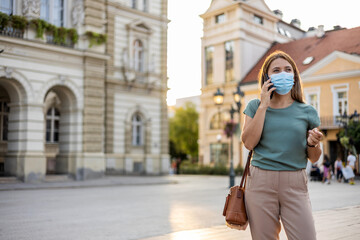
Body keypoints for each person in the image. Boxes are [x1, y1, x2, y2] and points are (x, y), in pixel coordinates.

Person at [241, 50, 323, 240]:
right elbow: (249, 143)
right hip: (260, 181)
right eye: (276, 70)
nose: (283, 74)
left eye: (287, 69)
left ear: (294, 75)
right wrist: (263, 105)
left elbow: (315, 157)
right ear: (267, 77)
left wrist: (312, 144)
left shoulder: (307, 111)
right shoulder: (254, 106)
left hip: (295, 182)